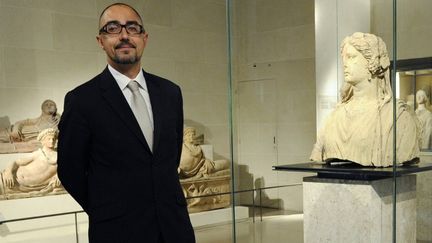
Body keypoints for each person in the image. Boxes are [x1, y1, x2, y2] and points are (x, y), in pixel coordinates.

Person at [57, 3, 195, 243]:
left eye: (132, 28)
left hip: (174, 228)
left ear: (144, 38)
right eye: (113, 28)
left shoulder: (171, 93)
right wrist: (107, 209)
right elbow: (70, 171)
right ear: (101, 40)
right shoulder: (82, 100)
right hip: (117, 232)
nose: (124, 36)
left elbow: (168, 160)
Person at [310, 32, 421, 167]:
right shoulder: (333, 118)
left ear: (372, 62)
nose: (345, 63)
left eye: (351, 57)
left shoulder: (398, 117)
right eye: (344, 58)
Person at [1, 128, 62, 197]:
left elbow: (69, 169)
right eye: (49, 139)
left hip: (23, 187)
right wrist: (8, 172)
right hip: (9, 180)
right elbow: (16, 162)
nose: (52, 141)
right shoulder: (38, 153)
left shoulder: (60, 156)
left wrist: (59, 176)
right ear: (43, 141)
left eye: (53, 139)